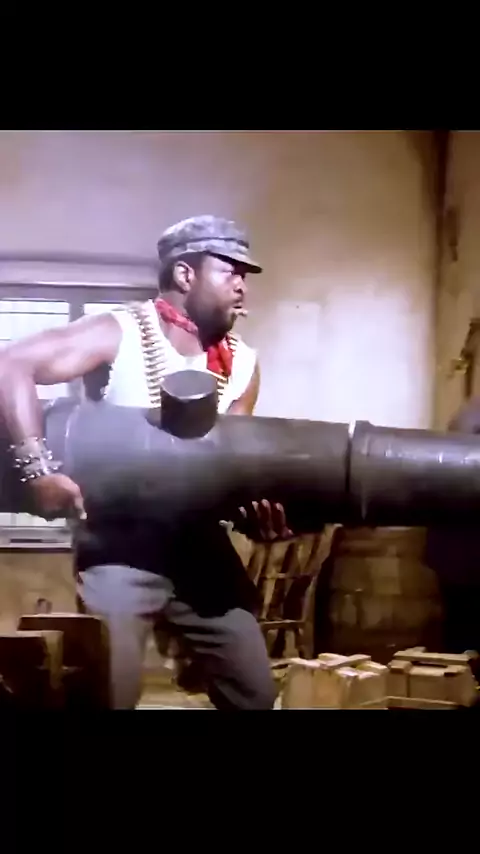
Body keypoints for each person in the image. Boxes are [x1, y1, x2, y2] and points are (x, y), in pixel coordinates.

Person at [0, 215, 293, 710]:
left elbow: (227, 467)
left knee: (255, 695)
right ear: (185, 275)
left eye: (245, 276)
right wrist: (40, 471)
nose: (242, 287)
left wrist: (255, 516)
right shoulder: (120, 332)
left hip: (199, 544)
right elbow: (12, 364)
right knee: (110, 694)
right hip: (119, 543)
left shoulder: (243, 363)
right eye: (231, 272)